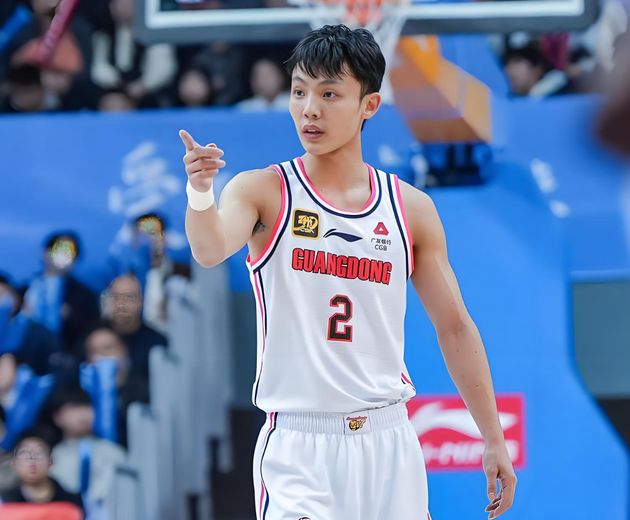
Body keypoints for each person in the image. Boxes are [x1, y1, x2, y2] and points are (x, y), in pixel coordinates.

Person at [180, 25, 516, 519]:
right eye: (299, 92)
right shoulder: (263, 191)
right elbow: (208, 249)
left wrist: (492, 436)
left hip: (388, 442)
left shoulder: (410, 209)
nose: (309, 109)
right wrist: (200, 191)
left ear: (369, 105)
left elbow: (455, 327)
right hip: (299, 445)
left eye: (329, 94)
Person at [102, 274, 167, 378]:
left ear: (140, 302)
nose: (120, 304)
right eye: (115, 297)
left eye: (129, 297)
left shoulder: (156, 343)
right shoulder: (94, 337)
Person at [1, 430, 84, 512]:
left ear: (51, 461)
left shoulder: (71, 502)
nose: (32, 460)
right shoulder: (4, 503)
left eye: (38, 453)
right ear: (14, 463)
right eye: (24, 454)